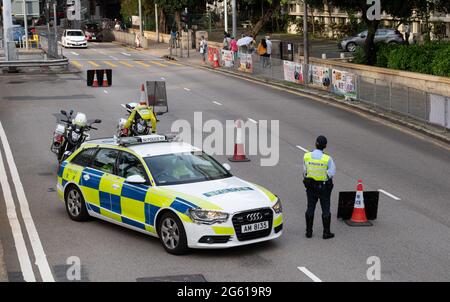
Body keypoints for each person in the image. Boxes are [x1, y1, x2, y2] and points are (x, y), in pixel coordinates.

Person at [303, 135, 336, 240]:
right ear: (325, 146)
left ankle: (309, 232)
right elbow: (331, 173)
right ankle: (326, 233)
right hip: (323, 188)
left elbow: (304, 172)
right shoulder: (328, 159)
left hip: (310, 187)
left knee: (310, 208)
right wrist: (323, 178)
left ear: (315, 143)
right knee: (325, 209)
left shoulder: (306, 156)